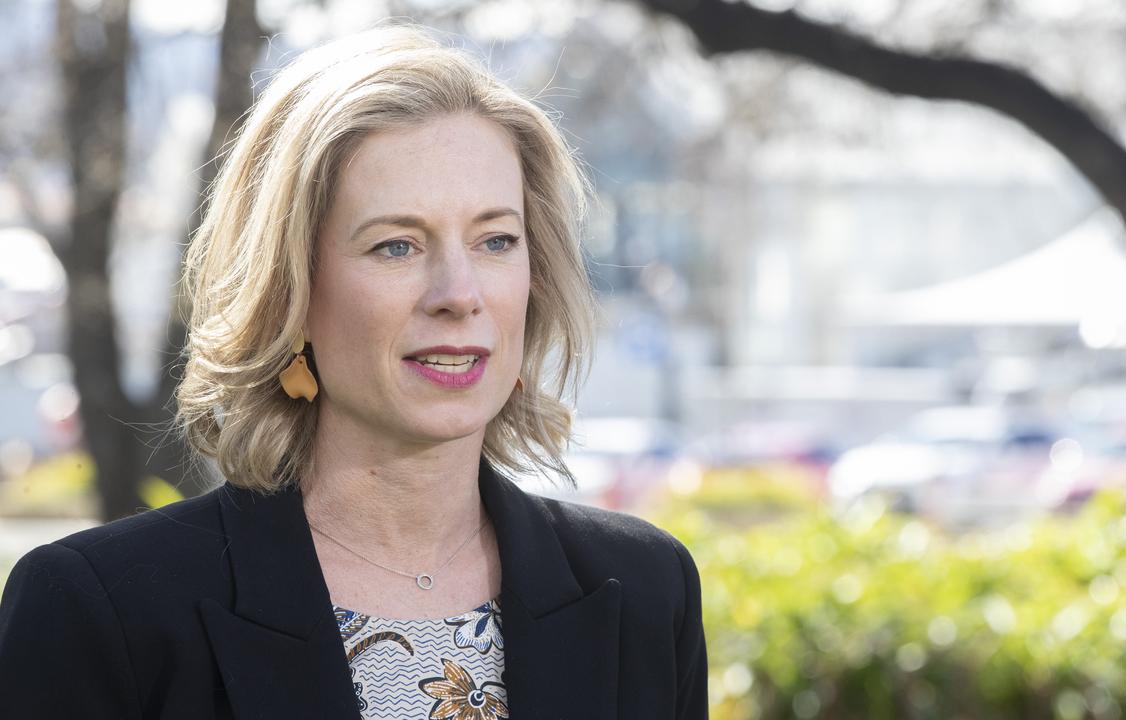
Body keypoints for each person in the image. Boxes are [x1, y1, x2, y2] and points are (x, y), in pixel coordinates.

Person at [0, 25, 708, 719]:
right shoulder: (98, 610)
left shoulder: (647, 591)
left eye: (495, 240)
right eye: (396, 246)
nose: (459, 294)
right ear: (291, 292)